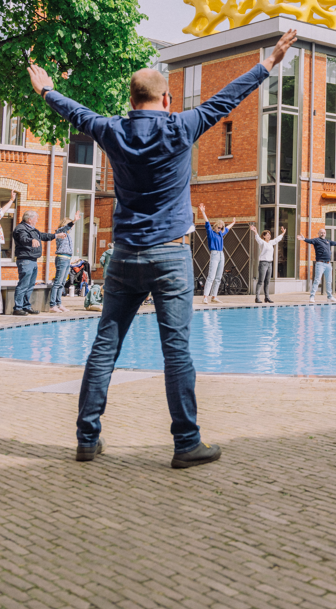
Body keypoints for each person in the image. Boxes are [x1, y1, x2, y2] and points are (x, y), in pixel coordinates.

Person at [29, 27, 299, 466]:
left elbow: (77, 113)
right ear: (167, 99)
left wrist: (47, 91)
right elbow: (227, 99)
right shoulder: (182, 126)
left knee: (105, 346)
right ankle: (186, 443)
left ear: (131, 99)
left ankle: (87, 438)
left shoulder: (112, 130)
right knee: (176, 351)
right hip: (171, 255)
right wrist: (268, 63)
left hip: (124, 255)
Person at [12, 210, 77, 316]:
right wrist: (31, 240)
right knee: (23, 284)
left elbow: (43, 236)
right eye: (36, 219)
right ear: (29, 219)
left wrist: (56, 236)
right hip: (25, 260)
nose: (37, 220)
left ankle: (26, 306)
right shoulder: (21, 228)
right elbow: (23, 239)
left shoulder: (33, 230)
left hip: (33, 260)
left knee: (30, 285)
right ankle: (18, 308)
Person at [198, 204, 235, 303]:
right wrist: (203, 212)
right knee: (211, 276)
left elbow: (227, 228)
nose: (220, 229)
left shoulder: (220, 233)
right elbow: (207, 222)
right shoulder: (211, 233)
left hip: (221, 254)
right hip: (214, 254)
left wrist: (233, 223)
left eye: (221, 228)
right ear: (215, 226)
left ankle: (214, 296)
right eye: (219, 227)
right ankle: (205, 296)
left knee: (218, 277)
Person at [50, 215, 83, 313]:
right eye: (71, 225)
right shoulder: (60, 232)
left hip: (67, 259)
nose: (72, 227)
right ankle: (52, 305)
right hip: (62, 258)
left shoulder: (67, 235)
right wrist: (74, 220)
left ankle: (59, 304)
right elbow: (66, 227)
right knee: (58, 282)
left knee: (62, 283)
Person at [249, 225, 285, 303]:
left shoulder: (271, 243)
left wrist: (283, 233)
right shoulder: (262, 243)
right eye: (267, 235)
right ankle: (257, 297)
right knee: (260, 281)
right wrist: (255, 231)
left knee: (267, 281)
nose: (269, 236)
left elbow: (277, 239)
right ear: (264, 236)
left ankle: (267, 297)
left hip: (269, 264)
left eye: (269, 235)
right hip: (263, 263)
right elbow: (257, 238)